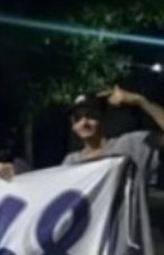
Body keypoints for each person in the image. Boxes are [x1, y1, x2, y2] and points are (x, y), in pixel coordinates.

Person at [62, 86, 164, 254]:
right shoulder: (70, 163)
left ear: (103, 117)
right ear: (73, 126)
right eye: (77, 118)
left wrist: (141, 101)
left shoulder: (130, 146)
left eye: (91, 115)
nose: (84, 122)